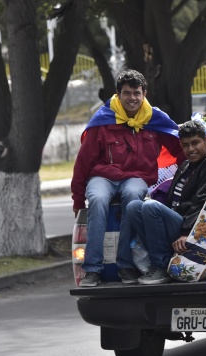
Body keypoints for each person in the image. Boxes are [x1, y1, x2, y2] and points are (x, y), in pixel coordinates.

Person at [71, 69, 185, 287]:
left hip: (136, 177)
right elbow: (83, 162)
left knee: (133, 198)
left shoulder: (155, 118)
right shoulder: (103, 119)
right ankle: (92, 270)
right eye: (127, 93)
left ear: (144, 94)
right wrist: (77, 199)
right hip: (102, 176)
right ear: (118, 94)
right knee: (97, 200)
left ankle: (125, 265)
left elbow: (180, 148)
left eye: (136, 93)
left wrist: (190, 174)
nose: (132, 98)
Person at [123, 120, 206, 285]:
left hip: (191, 226)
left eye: (195, 143)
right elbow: (171, 201)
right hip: (176, 221)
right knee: (133, 206)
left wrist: (186, 232)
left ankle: (160, 266)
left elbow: (202, 202)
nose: (191, 149)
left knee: (151, 206)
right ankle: (159, 258)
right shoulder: (185, 165)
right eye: (186, 145)